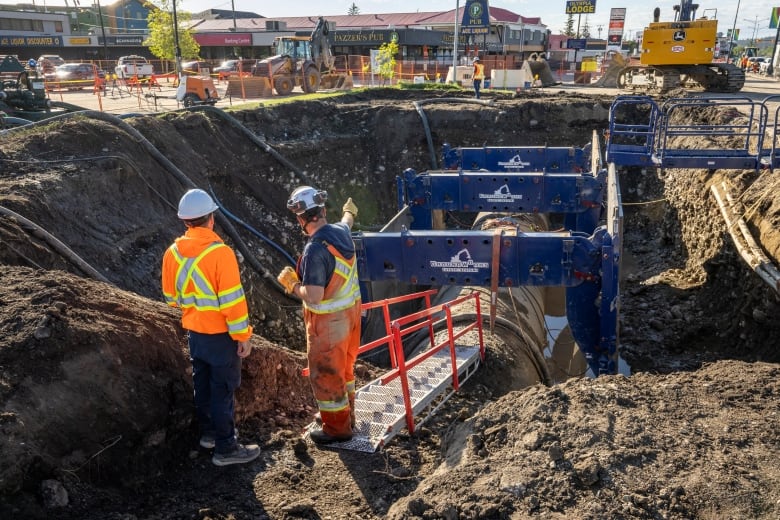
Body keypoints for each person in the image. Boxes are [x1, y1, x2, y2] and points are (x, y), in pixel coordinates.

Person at [161, 188, 261, 466]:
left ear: (186, 222)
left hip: (195, 333)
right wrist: (243, 336)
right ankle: (226, 448)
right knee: (223, 390)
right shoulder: (221, 254)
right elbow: (233, 302)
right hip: (220, 336)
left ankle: (209, 435)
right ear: (211, 219)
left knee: (202, 387)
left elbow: (171, 298)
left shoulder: (172, 253)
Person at [277, 187, 361, 445]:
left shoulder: (315, 250)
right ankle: (346, 415)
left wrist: (291, 283)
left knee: (326, 374)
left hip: (329, 325)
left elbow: (313, 295)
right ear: (323, 211)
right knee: (344, 371)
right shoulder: (340, 232)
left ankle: (337, 429)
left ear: (300, 219)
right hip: (352, 317)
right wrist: (349, 211)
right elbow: (347, 221)